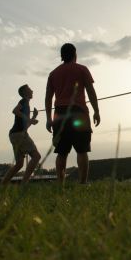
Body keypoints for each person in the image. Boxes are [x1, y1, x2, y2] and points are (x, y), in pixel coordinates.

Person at [45, 43, 100, 184]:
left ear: (62, 56)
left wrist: (48, 119)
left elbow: (48, 98)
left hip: (59, 114)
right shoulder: (82, 69)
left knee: (61, 151)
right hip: (78, 112)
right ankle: (82, 183)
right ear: (75, 54)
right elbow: (90, 91)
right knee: (82, 150)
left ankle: (60, 184)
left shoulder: (53, 73)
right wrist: (96, 111)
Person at [1, 84, 41, 184]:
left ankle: (4, 183)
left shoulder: (26, 105)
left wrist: (33, 117)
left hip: (14, 135)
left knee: (19, 164)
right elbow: (14, 111)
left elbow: (25, 127)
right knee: (36, 157)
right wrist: (29, 119)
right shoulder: (24, 101)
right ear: (25, 93)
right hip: (19, 134)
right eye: (30, 89)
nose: (32, 91)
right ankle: (24, 183)